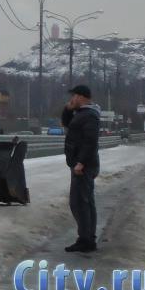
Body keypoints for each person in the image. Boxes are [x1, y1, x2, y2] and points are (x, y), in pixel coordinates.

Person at [62, 84, 101, 252]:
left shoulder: (90, 115)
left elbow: (90, 141)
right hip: (81, 164)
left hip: (83, 165)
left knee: (79, 202)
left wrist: (81, 162)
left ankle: (86, 239)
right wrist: (67, 109)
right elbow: (66, 123)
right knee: (85, 201)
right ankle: (88, 238)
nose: (72, 99)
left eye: (75, 96)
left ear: (82, 97)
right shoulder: (82, 114)